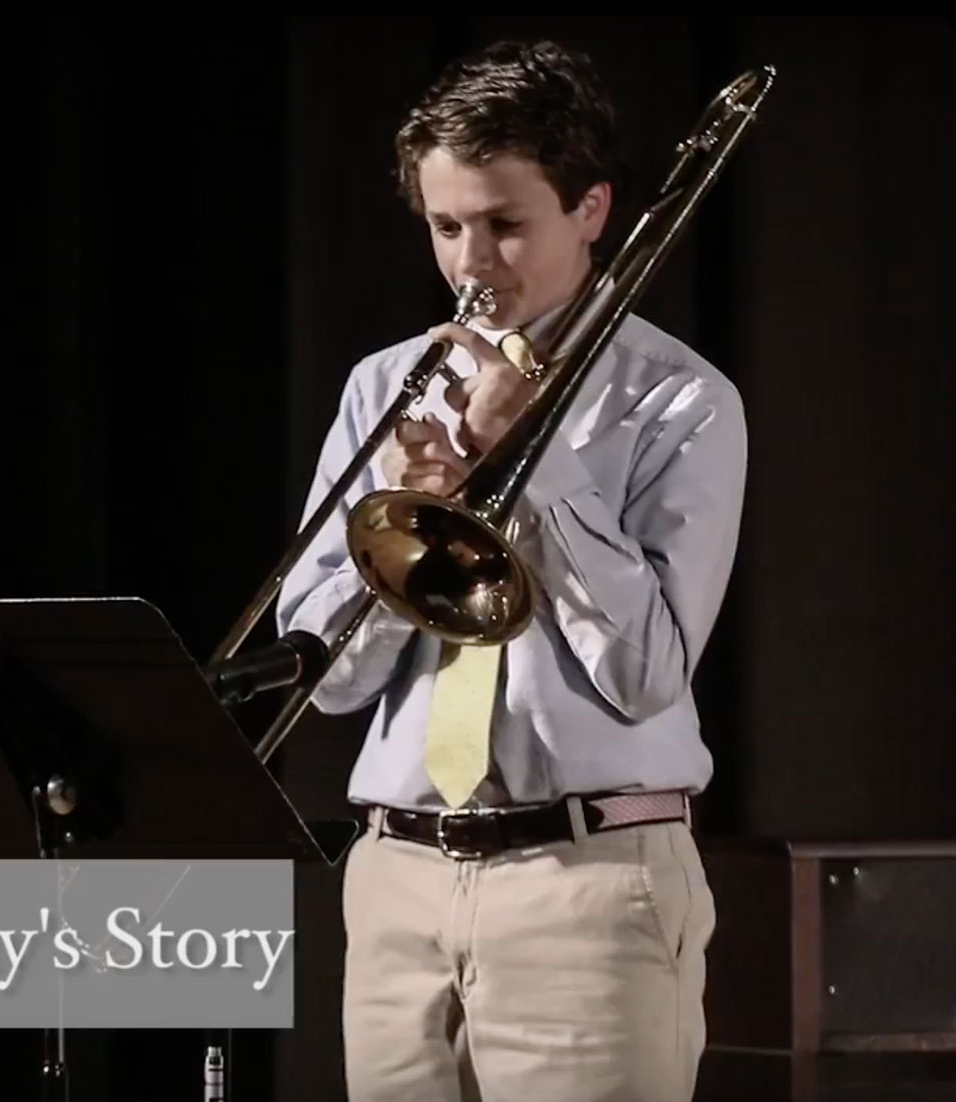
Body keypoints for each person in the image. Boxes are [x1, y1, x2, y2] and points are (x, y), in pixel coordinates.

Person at [275, 39, 748, 1102]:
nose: (470, 263)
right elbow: (329, 682)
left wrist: (533, 464)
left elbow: (645, 673)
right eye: (445, 227)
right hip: (396, 878)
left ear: (590, 209)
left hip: (583, 882)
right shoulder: (384, 387)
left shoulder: (680, 402)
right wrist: (409, 531)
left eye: (503, 224)